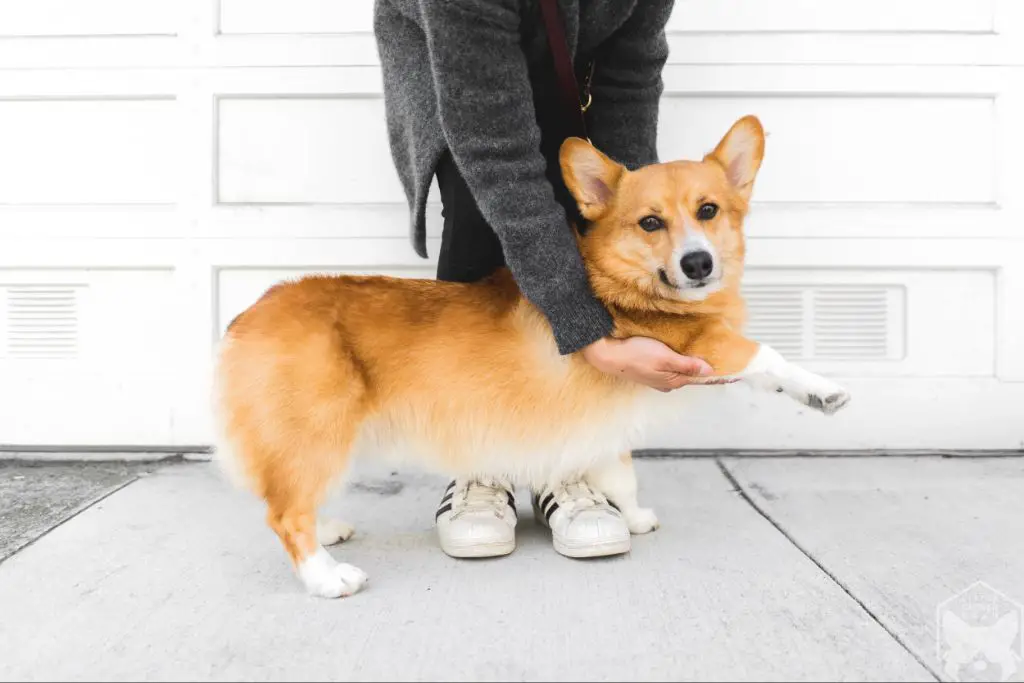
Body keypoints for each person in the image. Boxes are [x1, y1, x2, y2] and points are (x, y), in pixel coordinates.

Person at [374, 0, 712, 559]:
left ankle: (567, 460)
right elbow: (497, 156)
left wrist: (629, 225)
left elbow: (629, 84)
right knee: (479, 227)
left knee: (596, 213)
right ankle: (480, 462)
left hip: (571, 70)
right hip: (458, 65)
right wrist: (591, 337)